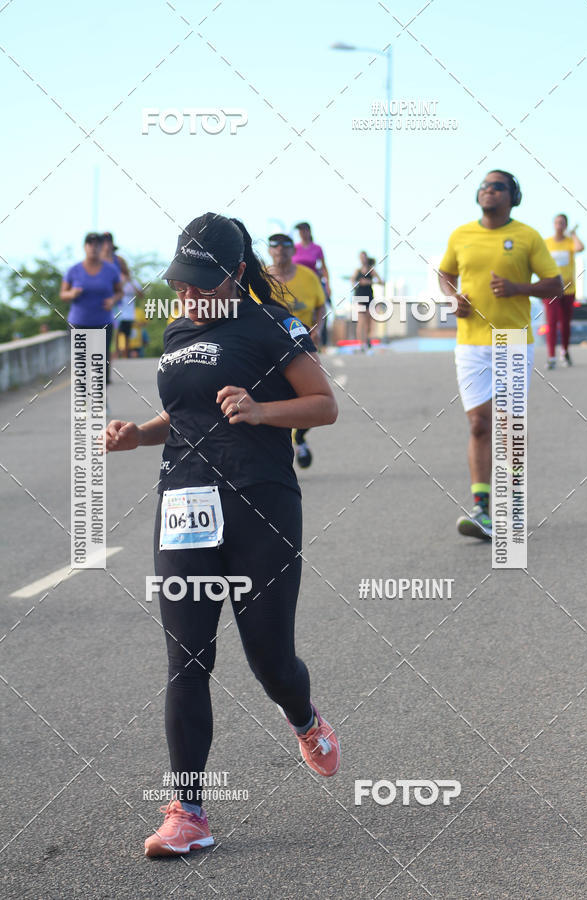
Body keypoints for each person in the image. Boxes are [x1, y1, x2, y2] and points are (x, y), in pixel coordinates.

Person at [104, 213, 340, 858]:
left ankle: (305, 719)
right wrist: (139, 435)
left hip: (260, 506)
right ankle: (188, 813)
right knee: (187, 659)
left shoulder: (271, 326)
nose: (189, 296)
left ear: (236, 275)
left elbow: (324, 404)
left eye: (203, 284)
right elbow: (183, 415)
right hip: (184, 505)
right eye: (182, 283)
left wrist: (263, 411)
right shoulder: (178, 329)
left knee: (270, 660)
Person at [439, 171, 561, 540]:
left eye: (498, 186)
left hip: (512, 339)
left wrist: (517, 288)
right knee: (479, 423)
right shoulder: (461, 234)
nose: (488, 190)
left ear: (513, 196)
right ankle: (481, 509)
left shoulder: (527, 236)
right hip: (470, 342)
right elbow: (445, 273)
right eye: (484, 186)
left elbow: (555, 284)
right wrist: (452, 297)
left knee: (508, 426)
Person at [264, 233, 326, 468]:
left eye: (286, 247)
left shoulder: (308, 276)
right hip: (268, 346)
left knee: (312, 397)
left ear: (293, 251)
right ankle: (277, 449)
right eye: (276, 247)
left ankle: (299, 438)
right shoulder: (260, 278)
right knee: (273, 397)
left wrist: (318, 328)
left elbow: (321, 304)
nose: (281, 250)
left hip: (302, 346)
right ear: (270, 251)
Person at [60, 232, 122, 383]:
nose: (93, 248)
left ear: (101, 247)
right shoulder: (74, 270)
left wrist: (112, 300)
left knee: (100, 362)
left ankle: (100, 396)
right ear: (84, 247)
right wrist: (72, 294)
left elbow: (119, 292)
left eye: (97, 245)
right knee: (81, 363)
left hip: (102, 322)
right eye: (90, 244)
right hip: (79, 322)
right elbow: (63, 294)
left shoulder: (111, 270)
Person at [543, 214, 584, 368]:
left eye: (562, 223)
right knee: (551, 323)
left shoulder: (570, 242)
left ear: (566, 225)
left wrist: (573, 234)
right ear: (553, 224)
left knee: (565, 323)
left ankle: (564, 352)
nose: (559, 225)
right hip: (550, 290)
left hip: (568, 290)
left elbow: (580, 248)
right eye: (557, 222)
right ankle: (551, 356)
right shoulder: (546, 243)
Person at [293, 222, 331, 345]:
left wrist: (328, 285)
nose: (302, 233)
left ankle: (316, 338)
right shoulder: (294, 248)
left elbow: (324, 268)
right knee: (298, 310)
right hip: (297, 285)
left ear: (309, 231)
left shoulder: (317, 248)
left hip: (313, 285)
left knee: (316, 312)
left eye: (304, 230)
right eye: (300, 231)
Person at [352, 251, 382, 350]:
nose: (362, 259)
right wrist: (359, 283)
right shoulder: (357, 271)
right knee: (361, 322)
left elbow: (381, 282)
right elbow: (352, 282)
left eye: (363, 257)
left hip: (369, 297)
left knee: (369, 322)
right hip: (360, 297)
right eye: (361, 257)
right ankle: (361, 343)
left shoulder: (371, 270)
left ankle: (368, 340)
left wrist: (369, 282)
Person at [114, 258, 143, 358]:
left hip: (129, 313)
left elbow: (141, 295)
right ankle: (116, 354)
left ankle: (125, 355)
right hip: (117, 311)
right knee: (117, 333)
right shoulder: (116, 279)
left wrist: (130, 282)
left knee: (126, 335)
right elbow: (115, 290)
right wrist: (124, 282)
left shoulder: (133, 281)